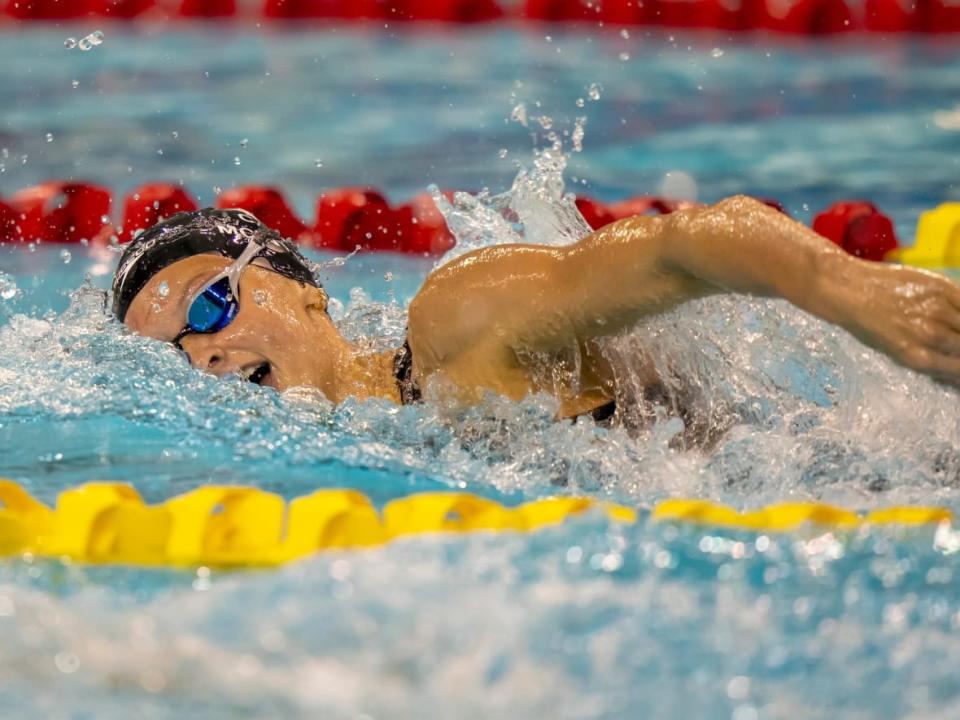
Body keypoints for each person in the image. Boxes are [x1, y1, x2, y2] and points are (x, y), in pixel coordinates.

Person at [112, 199, 960, 425]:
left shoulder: (458, 324)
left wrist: (847, 289)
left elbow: (681, 245)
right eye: (175, 354)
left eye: (212, 305)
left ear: (303, 286)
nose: (206, 357)